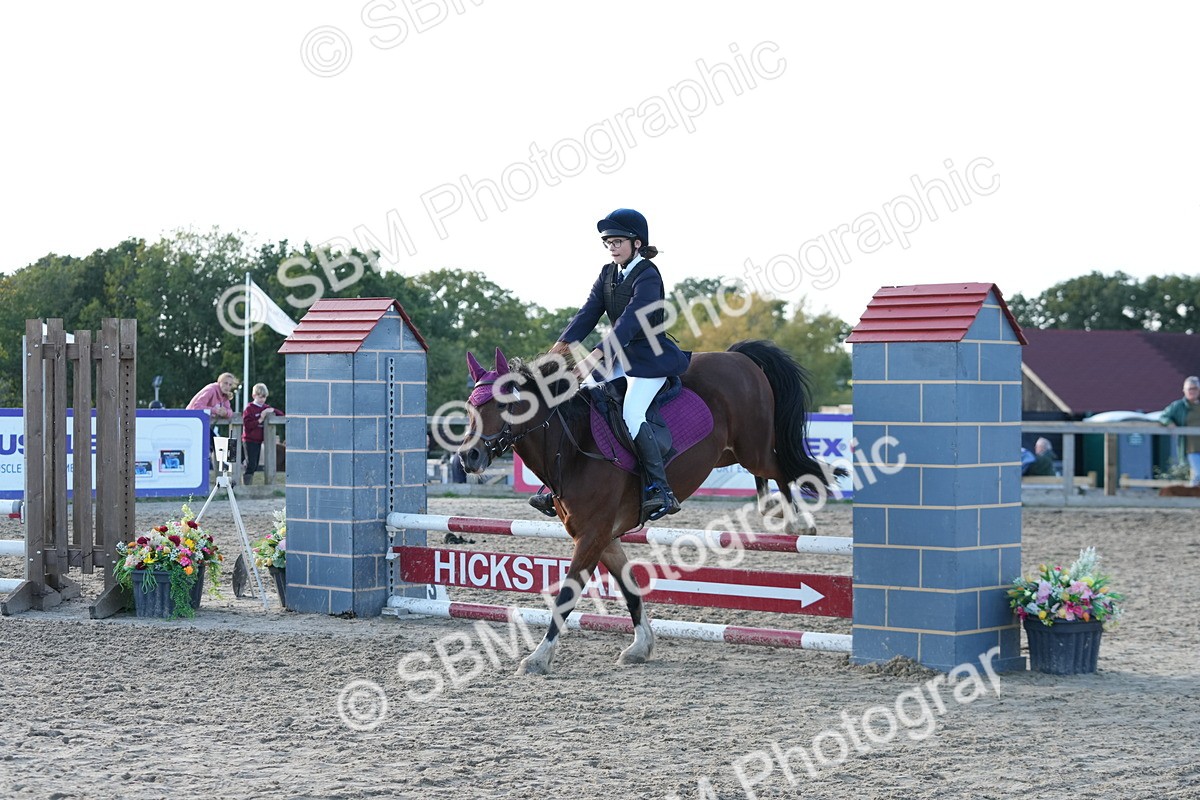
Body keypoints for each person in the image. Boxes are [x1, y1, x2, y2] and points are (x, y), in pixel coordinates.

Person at [529, 208, 690, 521]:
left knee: (632, 412)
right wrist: (559, 349)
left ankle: (659, 488)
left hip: (650, 357)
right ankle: (558, 483)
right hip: (619, 356)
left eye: (617, 242)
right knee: (579, 400)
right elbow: (588, 313)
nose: (612, 247)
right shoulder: (607, 274)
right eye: (608, 243)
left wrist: (594, 356)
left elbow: (630, 322)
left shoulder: (648, 275)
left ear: (637, 244)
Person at [1159, 375, 1200, 486]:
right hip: (1191, 448)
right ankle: (1192, 499)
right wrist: (1170, 423)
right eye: (1189, 389)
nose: (1192, 391)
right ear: (1184, 390)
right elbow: (1163, 416)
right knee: (1198, 474)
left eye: (1195, 388)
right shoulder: (1179, 406)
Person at [242, 383, 283, 485]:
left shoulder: (265, 407)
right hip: (249, 439)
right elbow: (247, 425)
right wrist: (260, 419)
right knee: (251, 463)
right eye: (260, 397)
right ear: (254, 396)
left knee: (255, 464)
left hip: (259, 440)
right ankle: (246, 483)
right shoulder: (249, 408)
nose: (262, 399)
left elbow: (281, 414)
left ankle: (248, 482)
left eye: (264, 397)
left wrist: (272, 410)